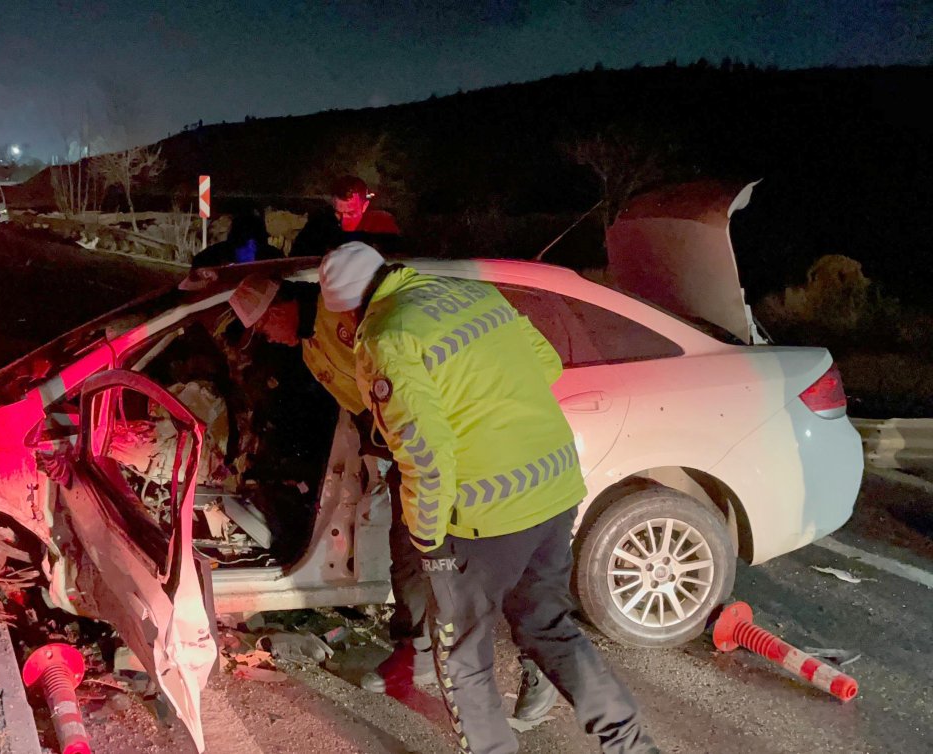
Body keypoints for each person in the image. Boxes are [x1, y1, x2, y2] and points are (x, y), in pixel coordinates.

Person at [318, 243, 659, 754]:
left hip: (484, 518)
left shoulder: (386, 337)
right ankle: (631, 745)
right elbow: (544, 362)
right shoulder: (471, 296)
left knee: (464, 659)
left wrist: (428, 538)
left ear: (345, 306)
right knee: (548, 626)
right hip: (553, 488)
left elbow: (424, 454)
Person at [228, 265, 561, 722]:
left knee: (490, 566)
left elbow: (416, 384)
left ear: (283, 305)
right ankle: (416, 652)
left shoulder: (350, 311)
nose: (266, 337)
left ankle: (539, 665)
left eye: (264, 325)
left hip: (471, 455)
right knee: (408, 556)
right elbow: (367, 403)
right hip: (413, 458)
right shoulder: (310, 348)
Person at [290, 175, 404, 258]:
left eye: (350, 213)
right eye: (338, 213)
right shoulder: (320, 223)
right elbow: (297, 258)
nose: (344, 220)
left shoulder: (382, 222)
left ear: (365, 206)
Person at [191, 202, 284, 269]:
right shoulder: (210, 258)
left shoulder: (274, 258)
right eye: (246, 244)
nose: (250, 248)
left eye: (253, 244)